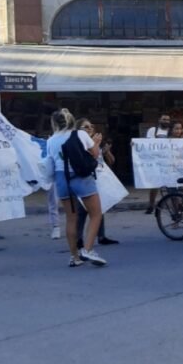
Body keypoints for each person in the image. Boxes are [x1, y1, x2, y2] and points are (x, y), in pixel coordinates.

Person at [46, 109, 108, 268]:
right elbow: (94, 154)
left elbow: (50, 164)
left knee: (70, 218)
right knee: (96, 214)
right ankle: (87, 249)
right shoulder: (80, 134)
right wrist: (97, 143)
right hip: (80, 177)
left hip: (62, 178)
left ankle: (74, 256)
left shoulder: (51, 140)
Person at [75, 119, 119, 246]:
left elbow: (111, 161)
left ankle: (101, 236)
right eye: (86, 127)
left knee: (100, 207)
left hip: (99, 179)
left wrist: (106, 151)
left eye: (91, 126)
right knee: (82, 210)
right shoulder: (77, 143)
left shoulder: (97, 142)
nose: (90, 129)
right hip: (83, 179)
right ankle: (78, 239)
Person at [144, 114, 172, 214]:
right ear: (159, 120)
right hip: (156, 161)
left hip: (169, 161)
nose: (166, 121)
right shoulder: (153, 130)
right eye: (164, 119)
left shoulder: (172, 131)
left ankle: (175, 206)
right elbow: (148, 144)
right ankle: (151, 205)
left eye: (168, 120)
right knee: (154, 185)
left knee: (171, 185)